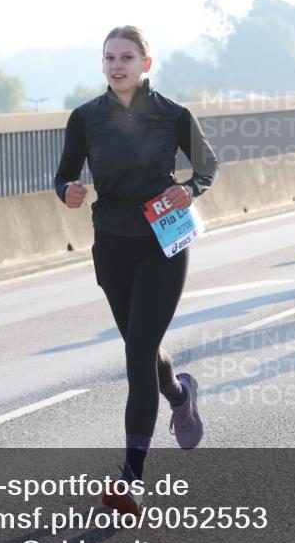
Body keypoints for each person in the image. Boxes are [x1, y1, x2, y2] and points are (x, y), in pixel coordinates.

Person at [54, 26, 219, 516]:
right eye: (109, 58)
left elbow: (207, 165)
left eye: (126, 57)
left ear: (146, 63)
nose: (116, 65)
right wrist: (67, 190)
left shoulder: (173, 114)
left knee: (138, 352)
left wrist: (190, 189)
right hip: (111, 243)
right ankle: (179, 391)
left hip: (163, 242)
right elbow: (64, 173)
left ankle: (131, 477)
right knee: (139, 348)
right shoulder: (85, 119)